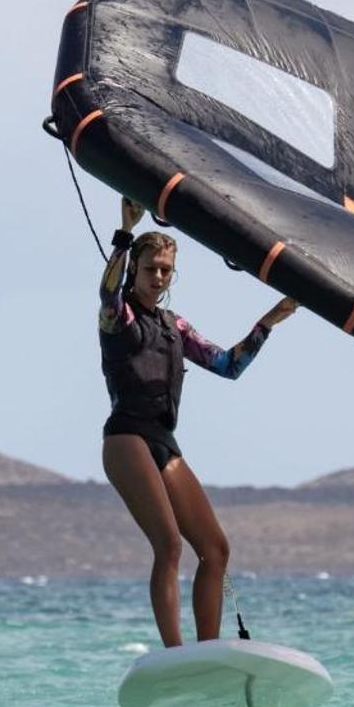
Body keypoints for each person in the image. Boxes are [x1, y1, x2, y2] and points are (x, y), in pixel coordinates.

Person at [99, 197, 297, 648]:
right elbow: (107, 292)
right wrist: (124, 233)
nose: (159, 277)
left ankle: (208, 653)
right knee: (168, 545)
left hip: (164, 441)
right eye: (151, 269)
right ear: (136, 269)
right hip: (126, 436)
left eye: (167, 270)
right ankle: (175, 653)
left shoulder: (174, 326)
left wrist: (271, 319)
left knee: (215, 549)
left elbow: (228, 365)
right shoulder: (118, 316)